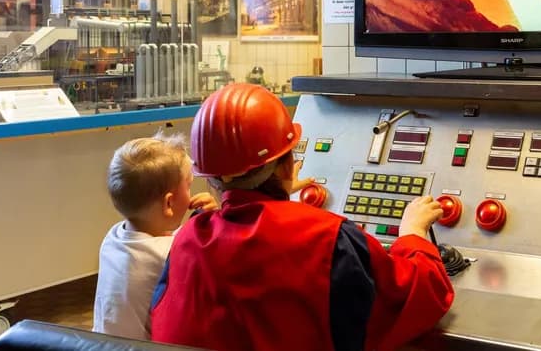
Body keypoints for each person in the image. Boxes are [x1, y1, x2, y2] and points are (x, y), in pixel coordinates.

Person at [150, 83, 454, 351]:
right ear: (287, 165)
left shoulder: (186, 241)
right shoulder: (329, 239)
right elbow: (419, 298)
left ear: (212, 180)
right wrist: (413, 232)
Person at [92, 132, 219, 340]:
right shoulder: (168, 257)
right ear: (169, 204)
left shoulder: (114, 238)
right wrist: (213, 220)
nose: (191, 191)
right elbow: (205, 264)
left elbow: (163, 244)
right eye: (188, 185)